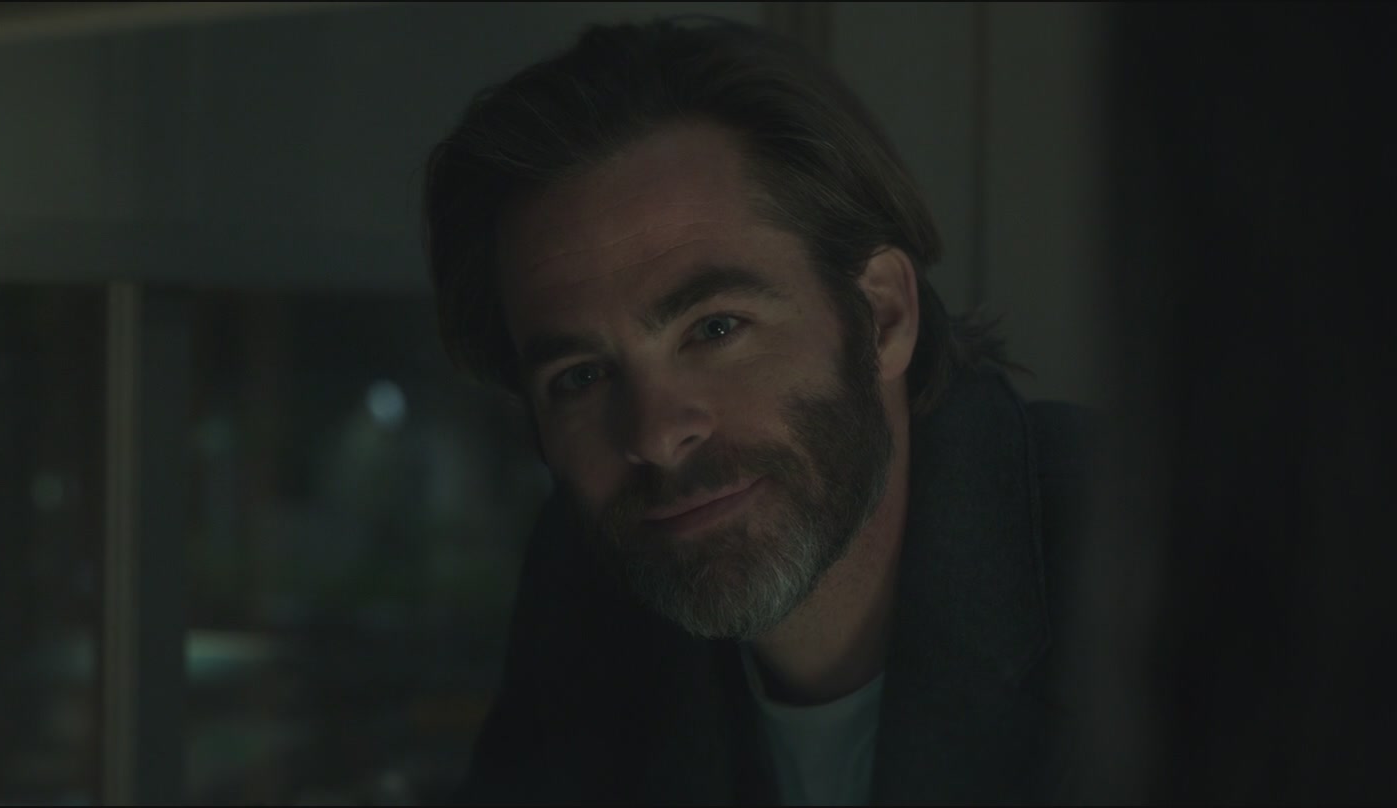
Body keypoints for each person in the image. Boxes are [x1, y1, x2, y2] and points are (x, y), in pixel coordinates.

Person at [421, 17, 1095, 804]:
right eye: (582, 377)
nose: (655, 435)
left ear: (882, 317)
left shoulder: (1144, 566)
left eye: (715, 329)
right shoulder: (589, 590)